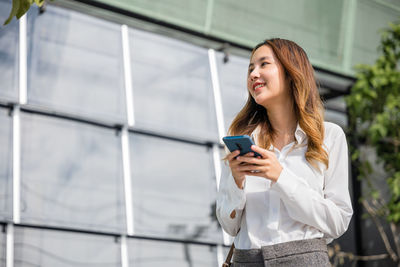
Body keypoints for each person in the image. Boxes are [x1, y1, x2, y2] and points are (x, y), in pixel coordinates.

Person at [216, 38, 353, 267]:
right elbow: (229, 226)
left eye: (263, 64)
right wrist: (237, 183)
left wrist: (281, 177)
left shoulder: (329, 136)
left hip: (305, 260)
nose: (253, 74)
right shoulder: (242, 140)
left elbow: (338, 222)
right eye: (250, 68)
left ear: (291, 73)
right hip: (246, 260)